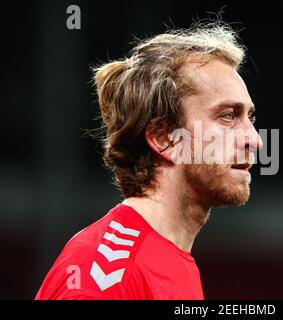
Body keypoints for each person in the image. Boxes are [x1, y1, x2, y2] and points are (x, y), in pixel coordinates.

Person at [35, 22, 263, 300]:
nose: (255, 140)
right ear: (164, 138)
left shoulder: (171, 260)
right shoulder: (106, 278)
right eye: (228, 116)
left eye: (249, 118)